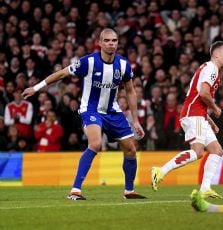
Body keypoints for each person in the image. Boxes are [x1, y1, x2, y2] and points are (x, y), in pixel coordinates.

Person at [22, 28, 146, 200]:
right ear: (100, 43)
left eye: (115, 41)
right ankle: (75, 191)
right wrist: (35, 88)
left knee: (131, 149)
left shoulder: (124, 65)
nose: (111, 44)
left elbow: (131, 91)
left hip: (112, 110)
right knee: (95, 144)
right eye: (108, 41)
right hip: (91, 109)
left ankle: (129, 191)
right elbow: (62, 73)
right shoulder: (88, 62)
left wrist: (136, 120)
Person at [151, 41, 223, 198]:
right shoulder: (212, 69)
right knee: (198, 152)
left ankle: (205, 188)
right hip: (193, 115)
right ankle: (160, 171)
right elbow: (203, 93)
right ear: (215, 54)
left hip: (197, 114)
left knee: (217, 151)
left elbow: (196, 98)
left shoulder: (207, 68)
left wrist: (211, 121)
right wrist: (215, 108)